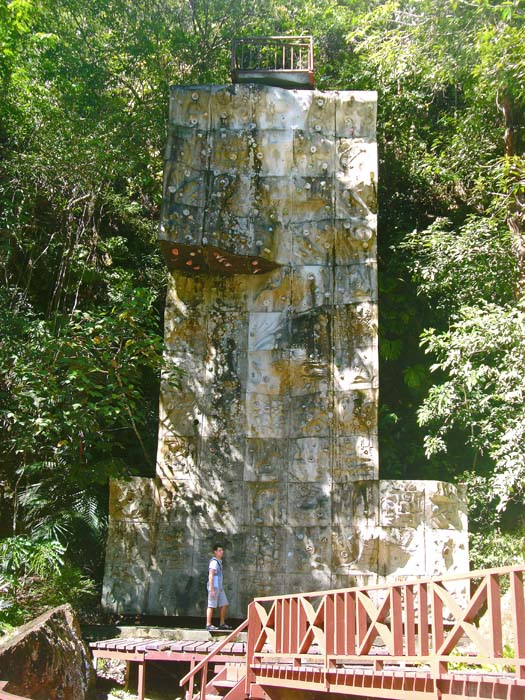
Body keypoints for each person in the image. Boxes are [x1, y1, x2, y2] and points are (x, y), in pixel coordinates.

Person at [206, 544, 232, 631]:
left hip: (219, 588)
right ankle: (208, 624)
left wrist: (220, 587)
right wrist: (212, 589)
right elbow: (211, 575)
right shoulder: (214, 562)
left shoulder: (219, 562)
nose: (222, 552)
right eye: (220, 550)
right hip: (214, 587)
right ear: (215, 552)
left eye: (222, 550)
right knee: (211, 605)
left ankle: (222, 623)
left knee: (224, 604)